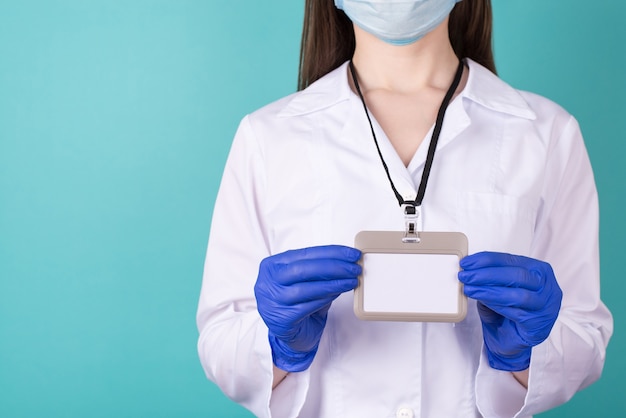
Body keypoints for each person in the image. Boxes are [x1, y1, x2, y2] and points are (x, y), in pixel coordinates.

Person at [197, 1, 613, 416]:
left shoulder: (546, 133)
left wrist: (527, 352)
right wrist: (276, 345)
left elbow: (585, 336)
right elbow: (220, 339)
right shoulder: (268, 136)